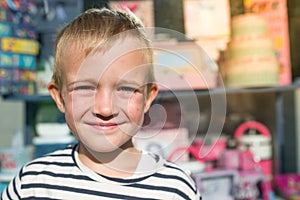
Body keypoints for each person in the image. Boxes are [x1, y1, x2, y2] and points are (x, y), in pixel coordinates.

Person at [1, 8, 201, 199]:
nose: (105, 109)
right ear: (60, 98)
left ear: (148, 97)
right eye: (84, 88)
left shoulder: (175, 190)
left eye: (125, 89)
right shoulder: (32, 185)